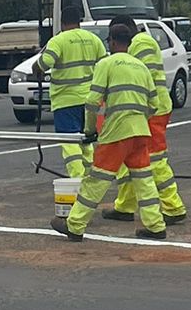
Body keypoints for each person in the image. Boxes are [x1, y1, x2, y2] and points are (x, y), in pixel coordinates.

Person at [51, 23, 166, 242]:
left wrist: (90, 129)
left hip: (117, 132)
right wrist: (139, 120)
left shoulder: (106, 64)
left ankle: (74, 225)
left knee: (96, 180)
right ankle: (156, 225)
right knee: (144, 180)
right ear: (129, 42)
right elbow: (154, 104)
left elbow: (92, 102)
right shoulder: (141, 67)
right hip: (140, 132)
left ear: (112, 42)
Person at [105, 17, 186, 224]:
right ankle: (125, 205)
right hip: (146, 109)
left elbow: (140, 77)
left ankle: (173, 207)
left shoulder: (142, 44)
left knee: (154, 159)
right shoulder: (142, 43)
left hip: (152, 110)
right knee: (131, 158)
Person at [34, 0, 105, 178]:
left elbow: (45, 63)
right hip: (89, 100)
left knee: (69, 141)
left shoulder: (58, 41)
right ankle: (89, 177)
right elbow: (104, 64)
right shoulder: (93, 39)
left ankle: (77, 178)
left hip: (66, 101)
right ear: (79, 21)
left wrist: (37, 67)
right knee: (86, 140)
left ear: (62, 23)